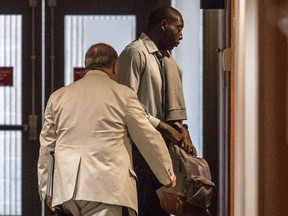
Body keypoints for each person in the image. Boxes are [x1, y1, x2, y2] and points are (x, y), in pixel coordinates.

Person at [37, 43, 177, 216]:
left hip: (66, 188)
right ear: (115, 67)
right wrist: (167, 175)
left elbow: (47, 148)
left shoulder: (57, 97)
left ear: (86, 66)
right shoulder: (124, 95)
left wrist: (47, 189)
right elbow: (148, 137)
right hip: (108, 188)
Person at [118, 4, 198, 216]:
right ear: (163, 25)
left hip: (164, 148)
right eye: (178, 28)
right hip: (141, 150)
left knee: (161, 210)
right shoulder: (135, 53)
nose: (181, 36)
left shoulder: (166, 59)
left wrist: (182, 130)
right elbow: (127, 106)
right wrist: (165, 128)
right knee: (143, 208)